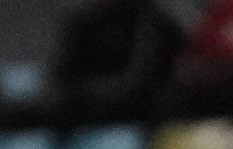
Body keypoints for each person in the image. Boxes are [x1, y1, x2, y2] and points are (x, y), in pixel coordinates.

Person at [44, 0, 182, 128]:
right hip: (77, 114)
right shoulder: (82, 23)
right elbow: (60, 73)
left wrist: (82, 94)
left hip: (131, 116)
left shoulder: (149, 23)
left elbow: (136, 83)